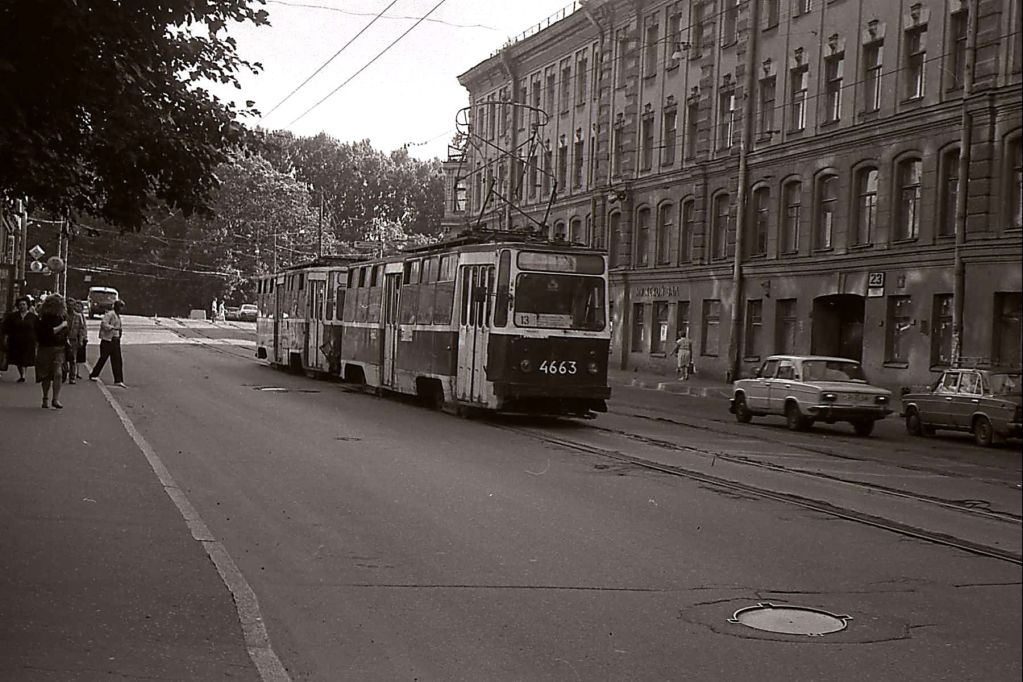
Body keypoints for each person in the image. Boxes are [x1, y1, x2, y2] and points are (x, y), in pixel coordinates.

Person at [35, 294, 69, 408]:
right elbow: (48, 333)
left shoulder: (62, 316)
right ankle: (45, 397)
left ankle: (55, 399)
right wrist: (62, 326)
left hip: (59, 348)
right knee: (46, 376)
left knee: (58, 373)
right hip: (46, 347)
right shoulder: (43, 317)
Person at [89, 299, 126, 387]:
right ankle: (94, 374)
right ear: (116, 307)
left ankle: (118, 379)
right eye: (120, 307)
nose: (121, 309)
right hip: (107, 340)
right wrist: (112, 328)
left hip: (115, 340)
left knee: (117, 360)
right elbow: (104, 324)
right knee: (103, 358)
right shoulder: (110, 314)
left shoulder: (117, 316)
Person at [2, 296, 38, 382]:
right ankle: (21, 373)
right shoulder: (13, 316)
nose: (22, 306)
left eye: (24, 304)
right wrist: (6, 338)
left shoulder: (33, 317)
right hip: (15, 340)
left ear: (27, 305)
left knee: (25, 358)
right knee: (18, 359)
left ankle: (23, 375)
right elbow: (7, 327)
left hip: (28, 341)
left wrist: (37, 341)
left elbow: (37, 329)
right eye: (20, 304)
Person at [66, 298, 88, 384]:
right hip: (63, 339)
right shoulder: (63, 315)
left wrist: (81, 340)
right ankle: (64, 373)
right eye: (69, 305)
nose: (70, 307)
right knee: (63, 358)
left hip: (74, 339)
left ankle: (72, 377)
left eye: (72, 305)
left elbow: (81, 329)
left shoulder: (78, 316)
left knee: (73, 359)